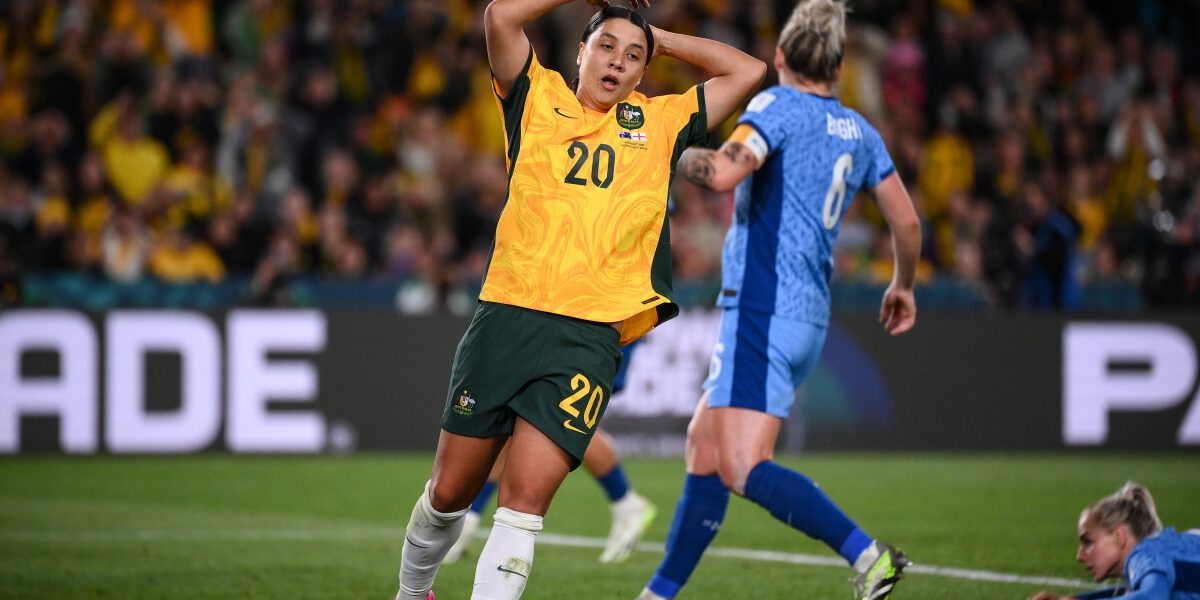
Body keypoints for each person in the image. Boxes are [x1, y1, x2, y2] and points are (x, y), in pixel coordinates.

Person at [395, 1, 766, 598]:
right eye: (607, 46)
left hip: (586, 338)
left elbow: (748, 71)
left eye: (633, 56)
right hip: (507, 316)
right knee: (448, 496)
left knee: (523, 508)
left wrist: (660, 37)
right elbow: (499, 18)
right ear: (579, 52)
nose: (618, 61)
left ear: (645, 72)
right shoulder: (534, 95)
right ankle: (412, 593)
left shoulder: (662, 122)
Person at [633, 1, 922, 598]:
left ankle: (869, 556)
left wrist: (666, 150)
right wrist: (903, 285)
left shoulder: (774, 106)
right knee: (704, 447)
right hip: (808, 319)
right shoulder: (860, 131)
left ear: (781, 57)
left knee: (741, 467)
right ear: (839, 67)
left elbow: (720, 173)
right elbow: (908, 225)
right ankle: (658, 593)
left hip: (762, 310)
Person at [445, 343, 657, 565]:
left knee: (563, 414)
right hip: (570, 324)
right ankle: (471, 516)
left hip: (599, 324)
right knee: (526, 411)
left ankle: (626, 502)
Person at [1028, 483, 1200, 600]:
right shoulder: (1158, 551)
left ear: (1120, 536)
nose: (1080, 556)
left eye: (1088, 542)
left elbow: (1152, 597)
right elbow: (1137, 592)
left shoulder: (1144, 554)